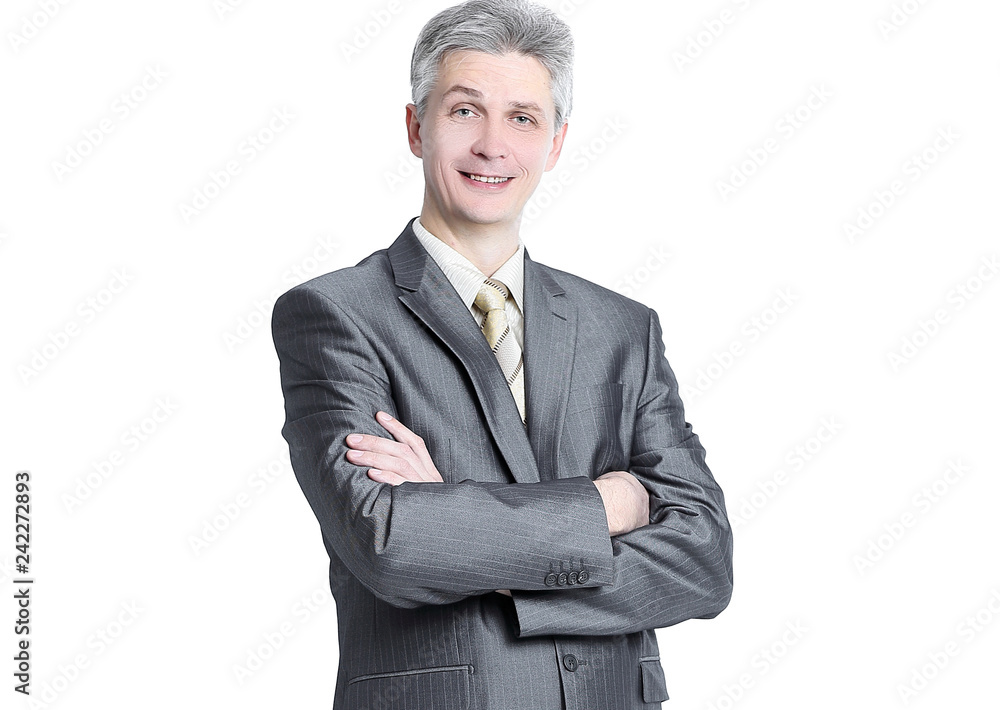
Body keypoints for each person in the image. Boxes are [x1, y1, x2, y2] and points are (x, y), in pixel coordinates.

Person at [271, 1, 733, 707]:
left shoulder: (622, 329)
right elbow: (390, 545)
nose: (493, 145)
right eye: (465, 111)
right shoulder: (336, 315)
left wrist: (455, 522)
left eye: (522, 118)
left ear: (555, 143)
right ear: (416, 126)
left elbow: (703, 561)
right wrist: (607, 504)